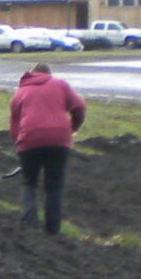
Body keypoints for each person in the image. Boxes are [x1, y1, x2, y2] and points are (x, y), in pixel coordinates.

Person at [7, 61, 87, 233]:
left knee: (29, 182)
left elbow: (14, 126)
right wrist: (72, 128)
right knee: (54, 185)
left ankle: (29, 225)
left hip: (29, 140)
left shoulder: (20, 92)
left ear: (31, 74)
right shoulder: (60, 84)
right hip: (59, 140)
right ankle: (52, 230)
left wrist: (19, 145)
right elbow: (80, 107)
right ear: (48, 74)